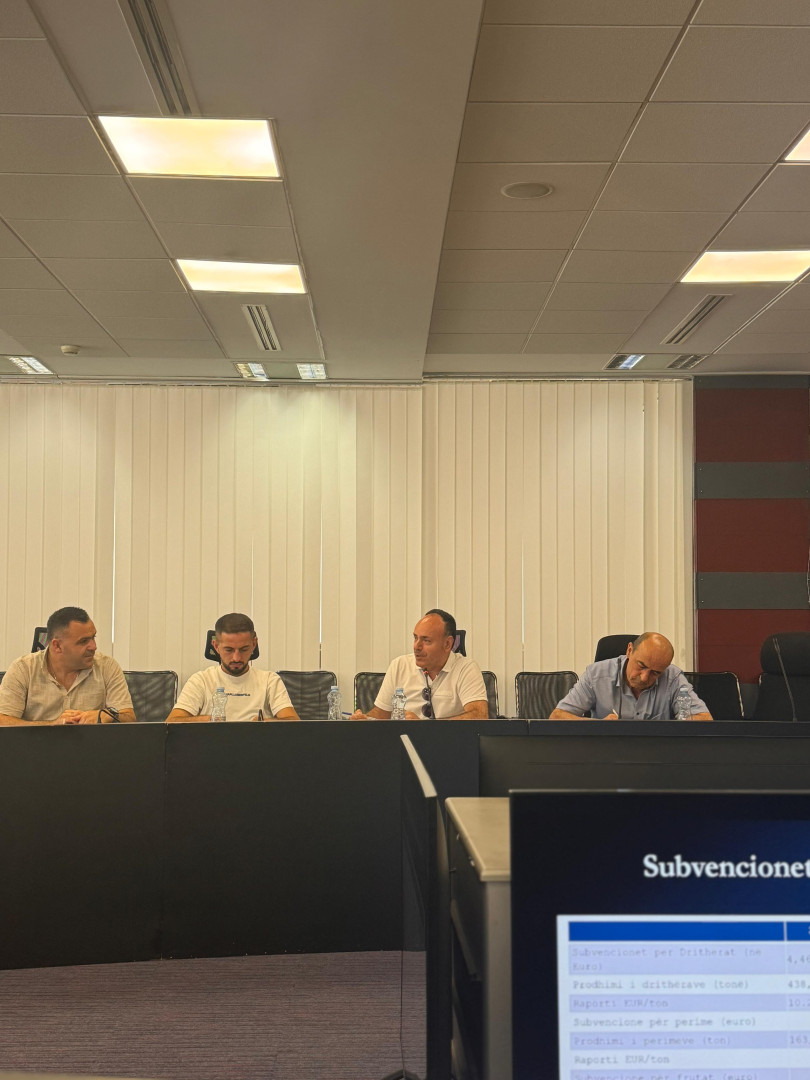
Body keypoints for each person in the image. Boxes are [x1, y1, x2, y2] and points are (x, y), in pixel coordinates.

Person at [0, 606, 135, 726]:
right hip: (38, 745)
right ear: (57, 646)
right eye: (84, 641)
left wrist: (105, 716)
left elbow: (129, 717)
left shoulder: (107, 666)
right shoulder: (23, 669)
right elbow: (3, 721)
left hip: (93, 746)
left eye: (93, 637)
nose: (93, 647)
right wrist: (52, 725)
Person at [351, 609, 488, 720]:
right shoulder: (399, 665)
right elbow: (382, 714)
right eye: (415, 638)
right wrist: (365, 719)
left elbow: (479, 716)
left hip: (449, 743)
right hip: (405, 743)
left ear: (447, 644)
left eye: (426, 641)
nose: (417, 646)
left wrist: (424, 728)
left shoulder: (466, 668)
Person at [550, 632, 712, 722]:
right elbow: (558, 716)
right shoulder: (596, 675)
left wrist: (681, 722)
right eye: (641, 666)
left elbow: (704, 719)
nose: (644, 677)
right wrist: (598, 726)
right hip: (606, 757)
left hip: (657, 758)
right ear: (629, 651)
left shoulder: (673, 678)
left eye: (655, 673)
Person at [167, 612, 299, 722]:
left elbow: (294, 723)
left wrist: (263, 724)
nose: (236, 658)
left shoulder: (269, 680)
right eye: (229, 650)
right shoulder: (201, 680)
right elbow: (171, 722)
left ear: (254, 644)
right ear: (216, 646)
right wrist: (209, 720)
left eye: (243, 649)